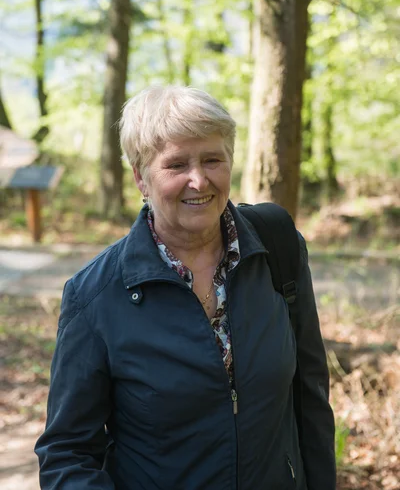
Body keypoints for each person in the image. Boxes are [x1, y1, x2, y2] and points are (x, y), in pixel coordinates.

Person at [35, 85, 336, 490]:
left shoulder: (277, 248)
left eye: (213, 159)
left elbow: (310, 399)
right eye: (176, 165)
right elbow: (67, 455)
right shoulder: (95, 297)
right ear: (141, 176)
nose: (199, 180)